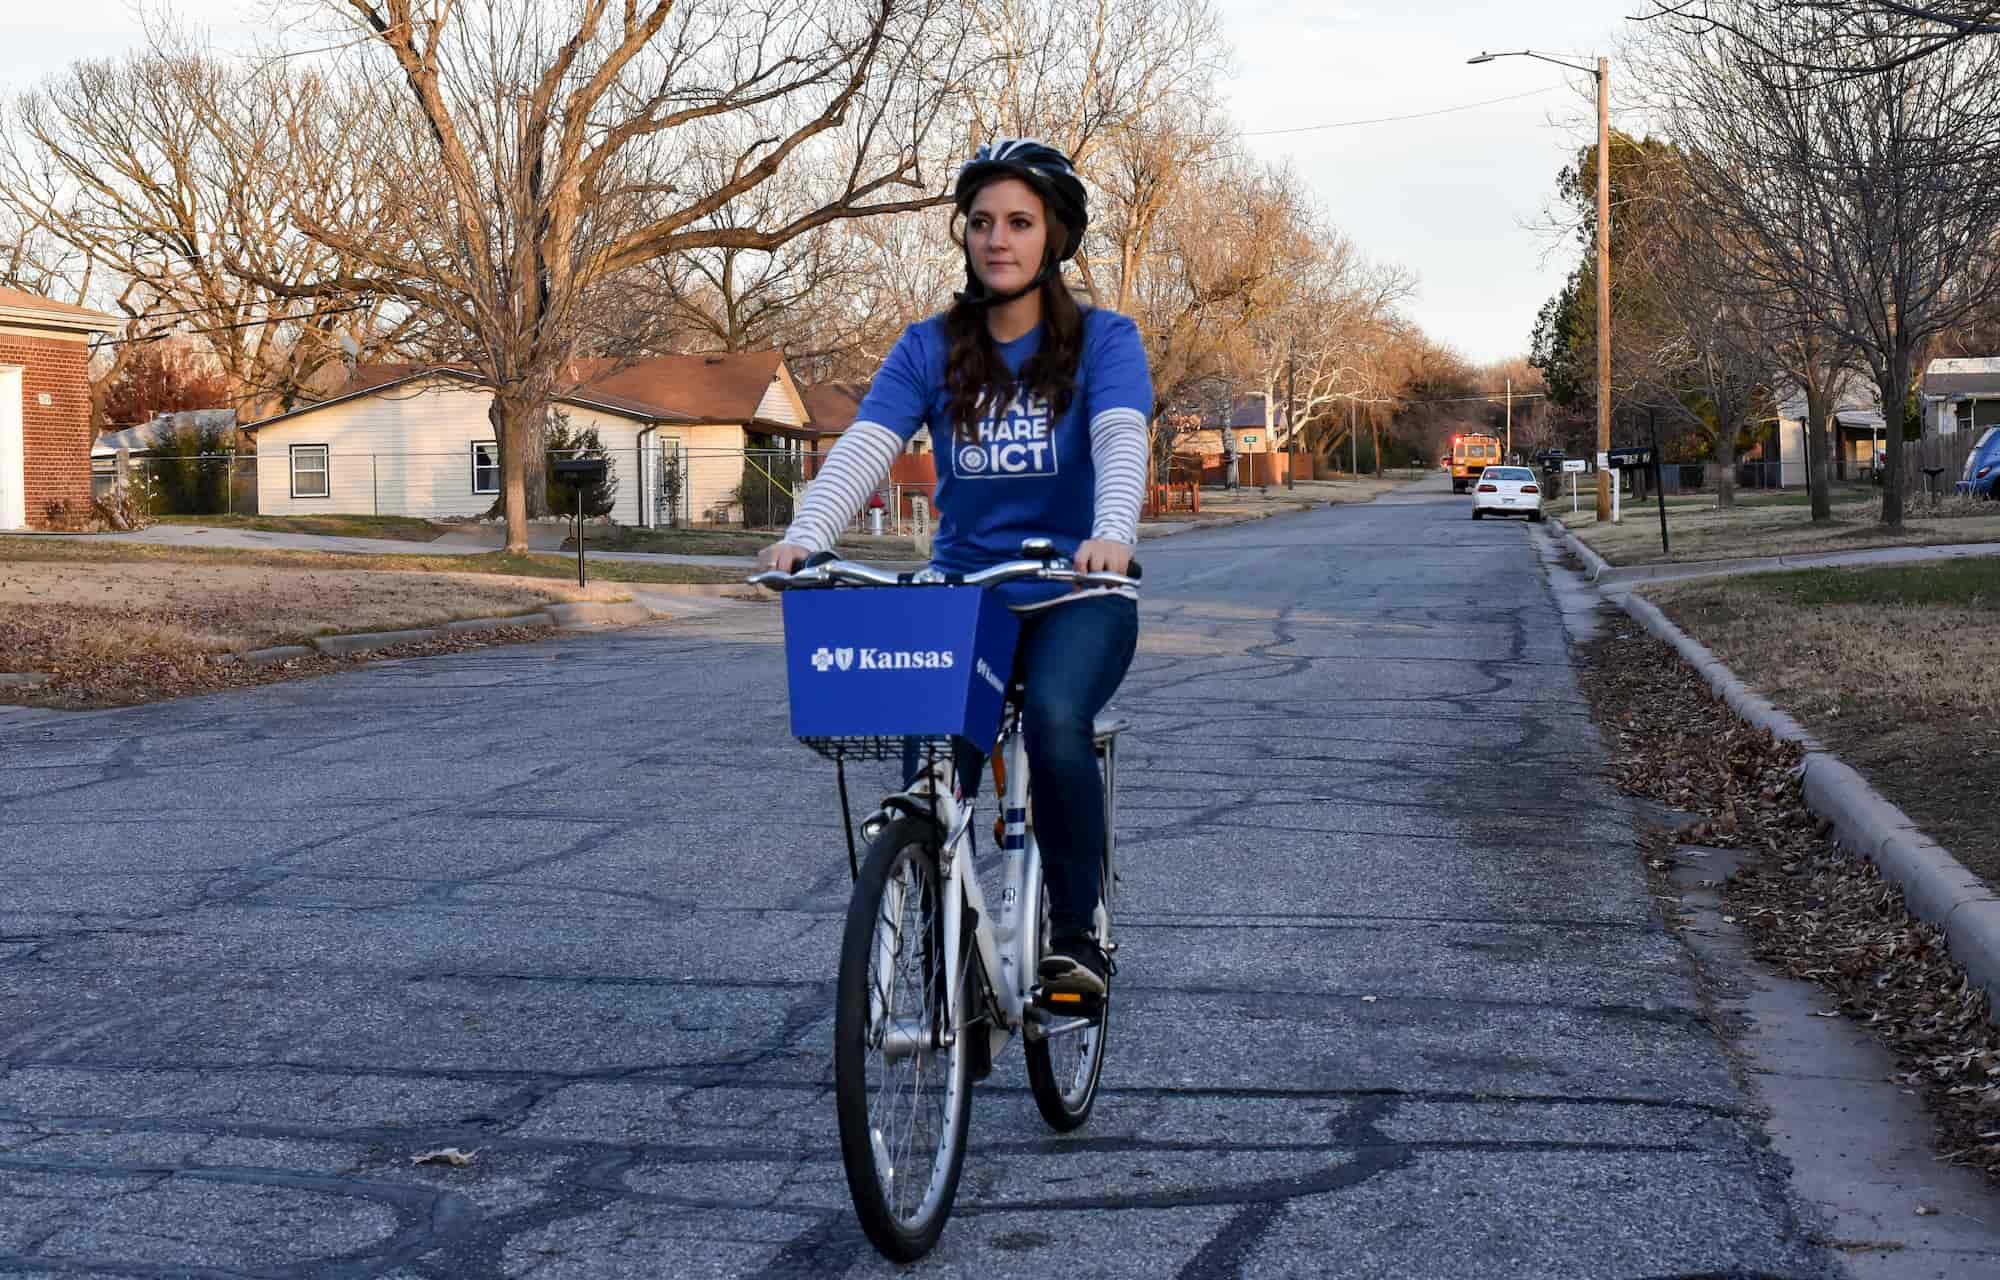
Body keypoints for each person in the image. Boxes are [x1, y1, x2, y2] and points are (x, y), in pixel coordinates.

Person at [757, 138, 1150, 996]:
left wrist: (1112, 530)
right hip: (966, 596)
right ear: (963, 236)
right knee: (932, 764)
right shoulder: (928, 346)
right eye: (981, 223)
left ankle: (1076, 938)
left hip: (1075, 590)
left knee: (1054, 720)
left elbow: (1121, 438)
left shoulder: (1105, 343)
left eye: (1018, 222)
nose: (997, 239)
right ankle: (946, 957)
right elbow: (867, 446)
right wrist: (807, 533)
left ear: (1055, 238)